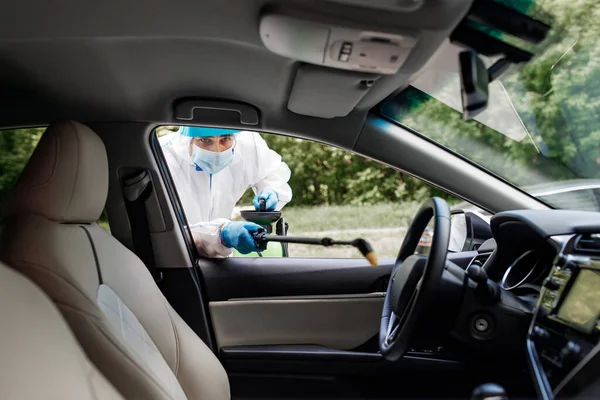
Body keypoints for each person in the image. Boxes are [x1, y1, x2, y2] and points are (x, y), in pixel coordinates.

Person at [160, 126, 292, 257]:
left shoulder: (246, 143)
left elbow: (272, 172)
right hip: (177, 259)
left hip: (222, 257)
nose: (217, 150)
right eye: (206, 140)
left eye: (225, 139)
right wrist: (221, 233)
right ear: (189, 138)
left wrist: (271, 190)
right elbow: (166, 232)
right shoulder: (162, 158)